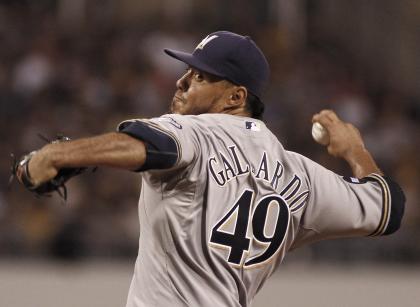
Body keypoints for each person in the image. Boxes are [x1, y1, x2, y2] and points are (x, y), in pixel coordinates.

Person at [17, 31, 405, 307]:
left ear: (235, 97)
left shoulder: (193, 130)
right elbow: (387, 207)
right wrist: (355, 150)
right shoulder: (301, 174)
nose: (182, 81)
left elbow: (153, 148)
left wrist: (56, 154)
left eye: (199, 76)